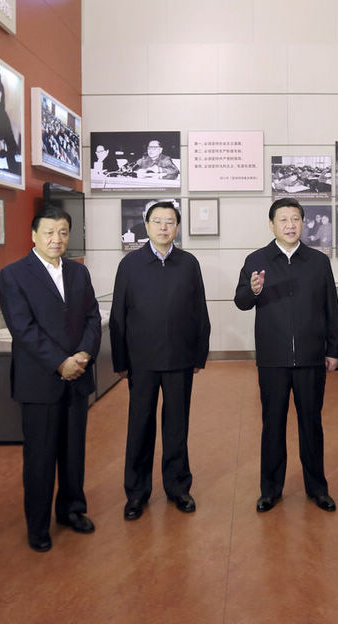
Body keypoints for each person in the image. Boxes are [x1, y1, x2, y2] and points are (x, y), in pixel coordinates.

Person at [0, 206, 102, 553]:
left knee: (73, 451)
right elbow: (22, 328)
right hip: (40, 379)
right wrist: (60, 362)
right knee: (40, 457)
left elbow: (91, 316)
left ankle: (71, 510)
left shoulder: (78, 272)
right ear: (33, 235)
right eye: (48, 232)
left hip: (79, 375)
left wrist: (84, 354)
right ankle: (38, 525)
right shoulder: (14, 274)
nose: (56, 239)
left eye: (62, 232)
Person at [234, 197, 338, 513]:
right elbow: (241, 301)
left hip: (311, 358)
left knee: (312, 425)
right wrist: (252, 290)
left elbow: (331, 309)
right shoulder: (257, 259)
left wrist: (333, 349)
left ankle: (317, 488)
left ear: (303, 223)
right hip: (273, 360)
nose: (290, 225)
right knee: (273, 425)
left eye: (295, 219)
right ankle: (270, 490)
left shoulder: (318, 261)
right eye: (283, 219)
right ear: (272, 225)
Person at [111, 201, 210, 519]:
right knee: (139, 426)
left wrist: (199, 353)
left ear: (177, 227)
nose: (164, 227)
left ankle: (178, 488)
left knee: (176, 427)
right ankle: (136, 493)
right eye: (158, 221)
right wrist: (120, 359)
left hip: (180, 359)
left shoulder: (189, 263)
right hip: (142, 360)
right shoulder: (130, 265)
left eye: (170, 222)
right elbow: (118, 316)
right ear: (147, 225)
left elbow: (200, 312)